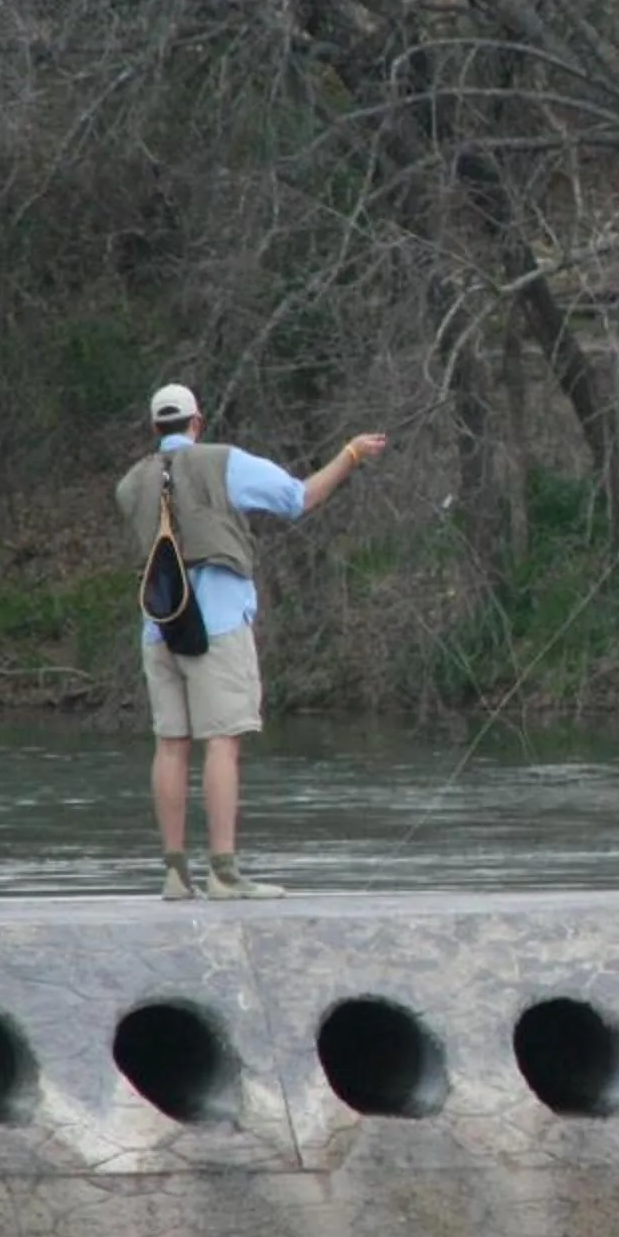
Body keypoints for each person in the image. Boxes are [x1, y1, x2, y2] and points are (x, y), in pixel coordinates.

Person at [115, 382, 387, 900]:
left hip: (158, 627)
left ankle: (174, 873)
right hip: (215, 624)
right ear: (198, 422)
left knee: (170, 745)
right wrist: (350, 455)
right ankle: (223, 872)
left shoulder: (131, 484)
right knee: (223, 742)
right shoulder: (222, 461)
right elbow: (298, 498)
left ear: (154, 429)